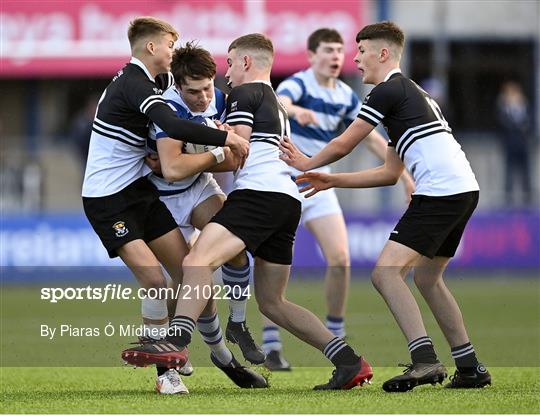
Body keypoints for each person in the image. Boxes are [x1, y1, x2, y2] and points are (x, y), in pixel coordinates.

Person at [124, 33, 374, 391]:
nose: (226, 74)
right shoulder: (276, 102)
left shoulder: (245, 93)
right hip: (288, 201)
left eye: (229, 63)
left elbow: (236, 151)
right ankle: (349, 362)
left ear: (244, 62)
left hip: (259, 195)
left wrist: (181, 157)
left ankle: (175, 344)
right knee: (273, 302)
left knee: (196, 263)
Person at [280, 21, 491, 391]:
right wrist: (331, 180)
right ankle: (470, 366)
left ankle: (424, 361)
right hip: (463, 189)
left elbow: (345, 143)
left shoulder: (386, 92)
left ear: (382, 53)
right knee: (426, 278)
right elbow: (390, 173)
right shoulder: (411, 94)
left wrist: (306, 163)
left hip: (440, 192)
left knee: (385, 274)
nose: (355, 60)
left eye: (361, 51)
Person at [81, 17, 248, 389]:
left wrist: (148, 151)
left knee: (191, 271)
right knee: (155, 280)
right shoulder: (134, 82)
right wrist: (227, 142)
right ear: (152, 48)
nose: (173, 52)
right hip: (107, 199)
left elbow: (153, 132)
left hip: (139, 190)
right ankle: (166, 372)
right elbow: (172, 127)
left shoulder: (156, 81)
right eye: (169, 45)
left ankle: (198, 348)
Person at [261, 28, 416, 371]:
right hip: (285, 181)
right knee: (270, 262)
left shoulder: (346, 96)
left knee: (340, 258)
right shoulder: (299, 84)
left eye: (339, 51)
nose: (336, 57)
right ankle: (270, 343)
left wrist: (403, 176)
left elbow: (373, 139)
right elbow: (278, 101)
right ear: (312, 56)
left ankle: (335, 332)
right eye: (328, 50)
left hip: (320, 182)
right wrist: (297, 110)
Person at [142, 42, 266, 393]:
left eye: (208, 88)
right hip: (160, 204)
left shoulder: (222, 99)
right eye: (193, 92)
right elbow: (172, 170)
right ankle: (182, 366)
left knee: (237, 242)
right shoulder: (167, 108)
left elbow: (237, 157)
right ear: (177, 87)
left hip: (200, 190)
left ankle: (238, 323)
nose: (203, 98)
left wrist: (205, 155)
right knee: (183, 285)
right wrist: (214, 151)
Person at [496, 81, 533, 205]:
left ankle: (527, 196)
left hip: (523, 144)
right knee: (509, 171)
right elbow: (502, 125)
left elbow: (529, 124)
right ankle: (509, 198)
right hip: (510, 144)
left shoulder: (524, 107)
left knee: (525, 171)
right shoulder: (504, 109)